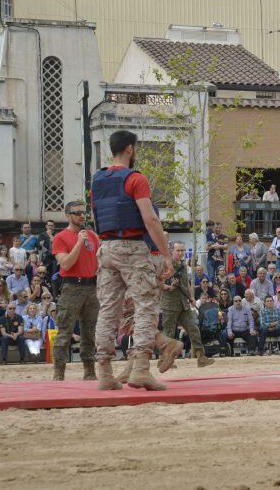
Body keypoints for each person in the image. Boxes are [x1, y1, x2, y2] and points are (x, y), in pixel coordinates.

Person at [91, 130, 174, 391]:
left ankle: (104, 372)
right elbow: (150, 219)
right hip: (132, 247)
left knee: (108, 310)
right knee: (146, 306)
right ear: (130, 149)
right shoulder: (136, 179)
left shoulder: (97, 179)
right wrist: (166, 255)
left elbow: (96, 218)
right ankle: (140, 369)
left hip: (106, 247)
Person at [50, 202, 100, 381]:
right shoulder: (60, 237)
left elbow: (100, 262)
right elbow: (66, 264)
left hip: (92, 288)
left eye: (83, 213)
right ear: (67, 215)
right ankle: (59, 373)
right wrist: (79, 242)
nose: (81, 216)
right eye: (77, 212)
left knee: (89, 332)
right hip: (72, 287)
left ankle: (90, 371)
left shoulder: (93, 237)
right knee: (65, 331)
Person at [160, 241, 215, 367]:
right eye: (178, 250)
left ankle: (201, 357)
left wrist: (191, 297)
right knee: (169, 332)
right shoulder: (165, 264)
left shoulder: (183, 265)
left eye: (182, 251)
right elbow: (158, 282)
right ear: (171, 251)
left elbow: (187, 283)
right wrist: (169, 287)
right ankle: (163, 360)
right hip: (170, 304)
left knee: (193, 328)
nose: (180, 253)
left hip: (184, 304)